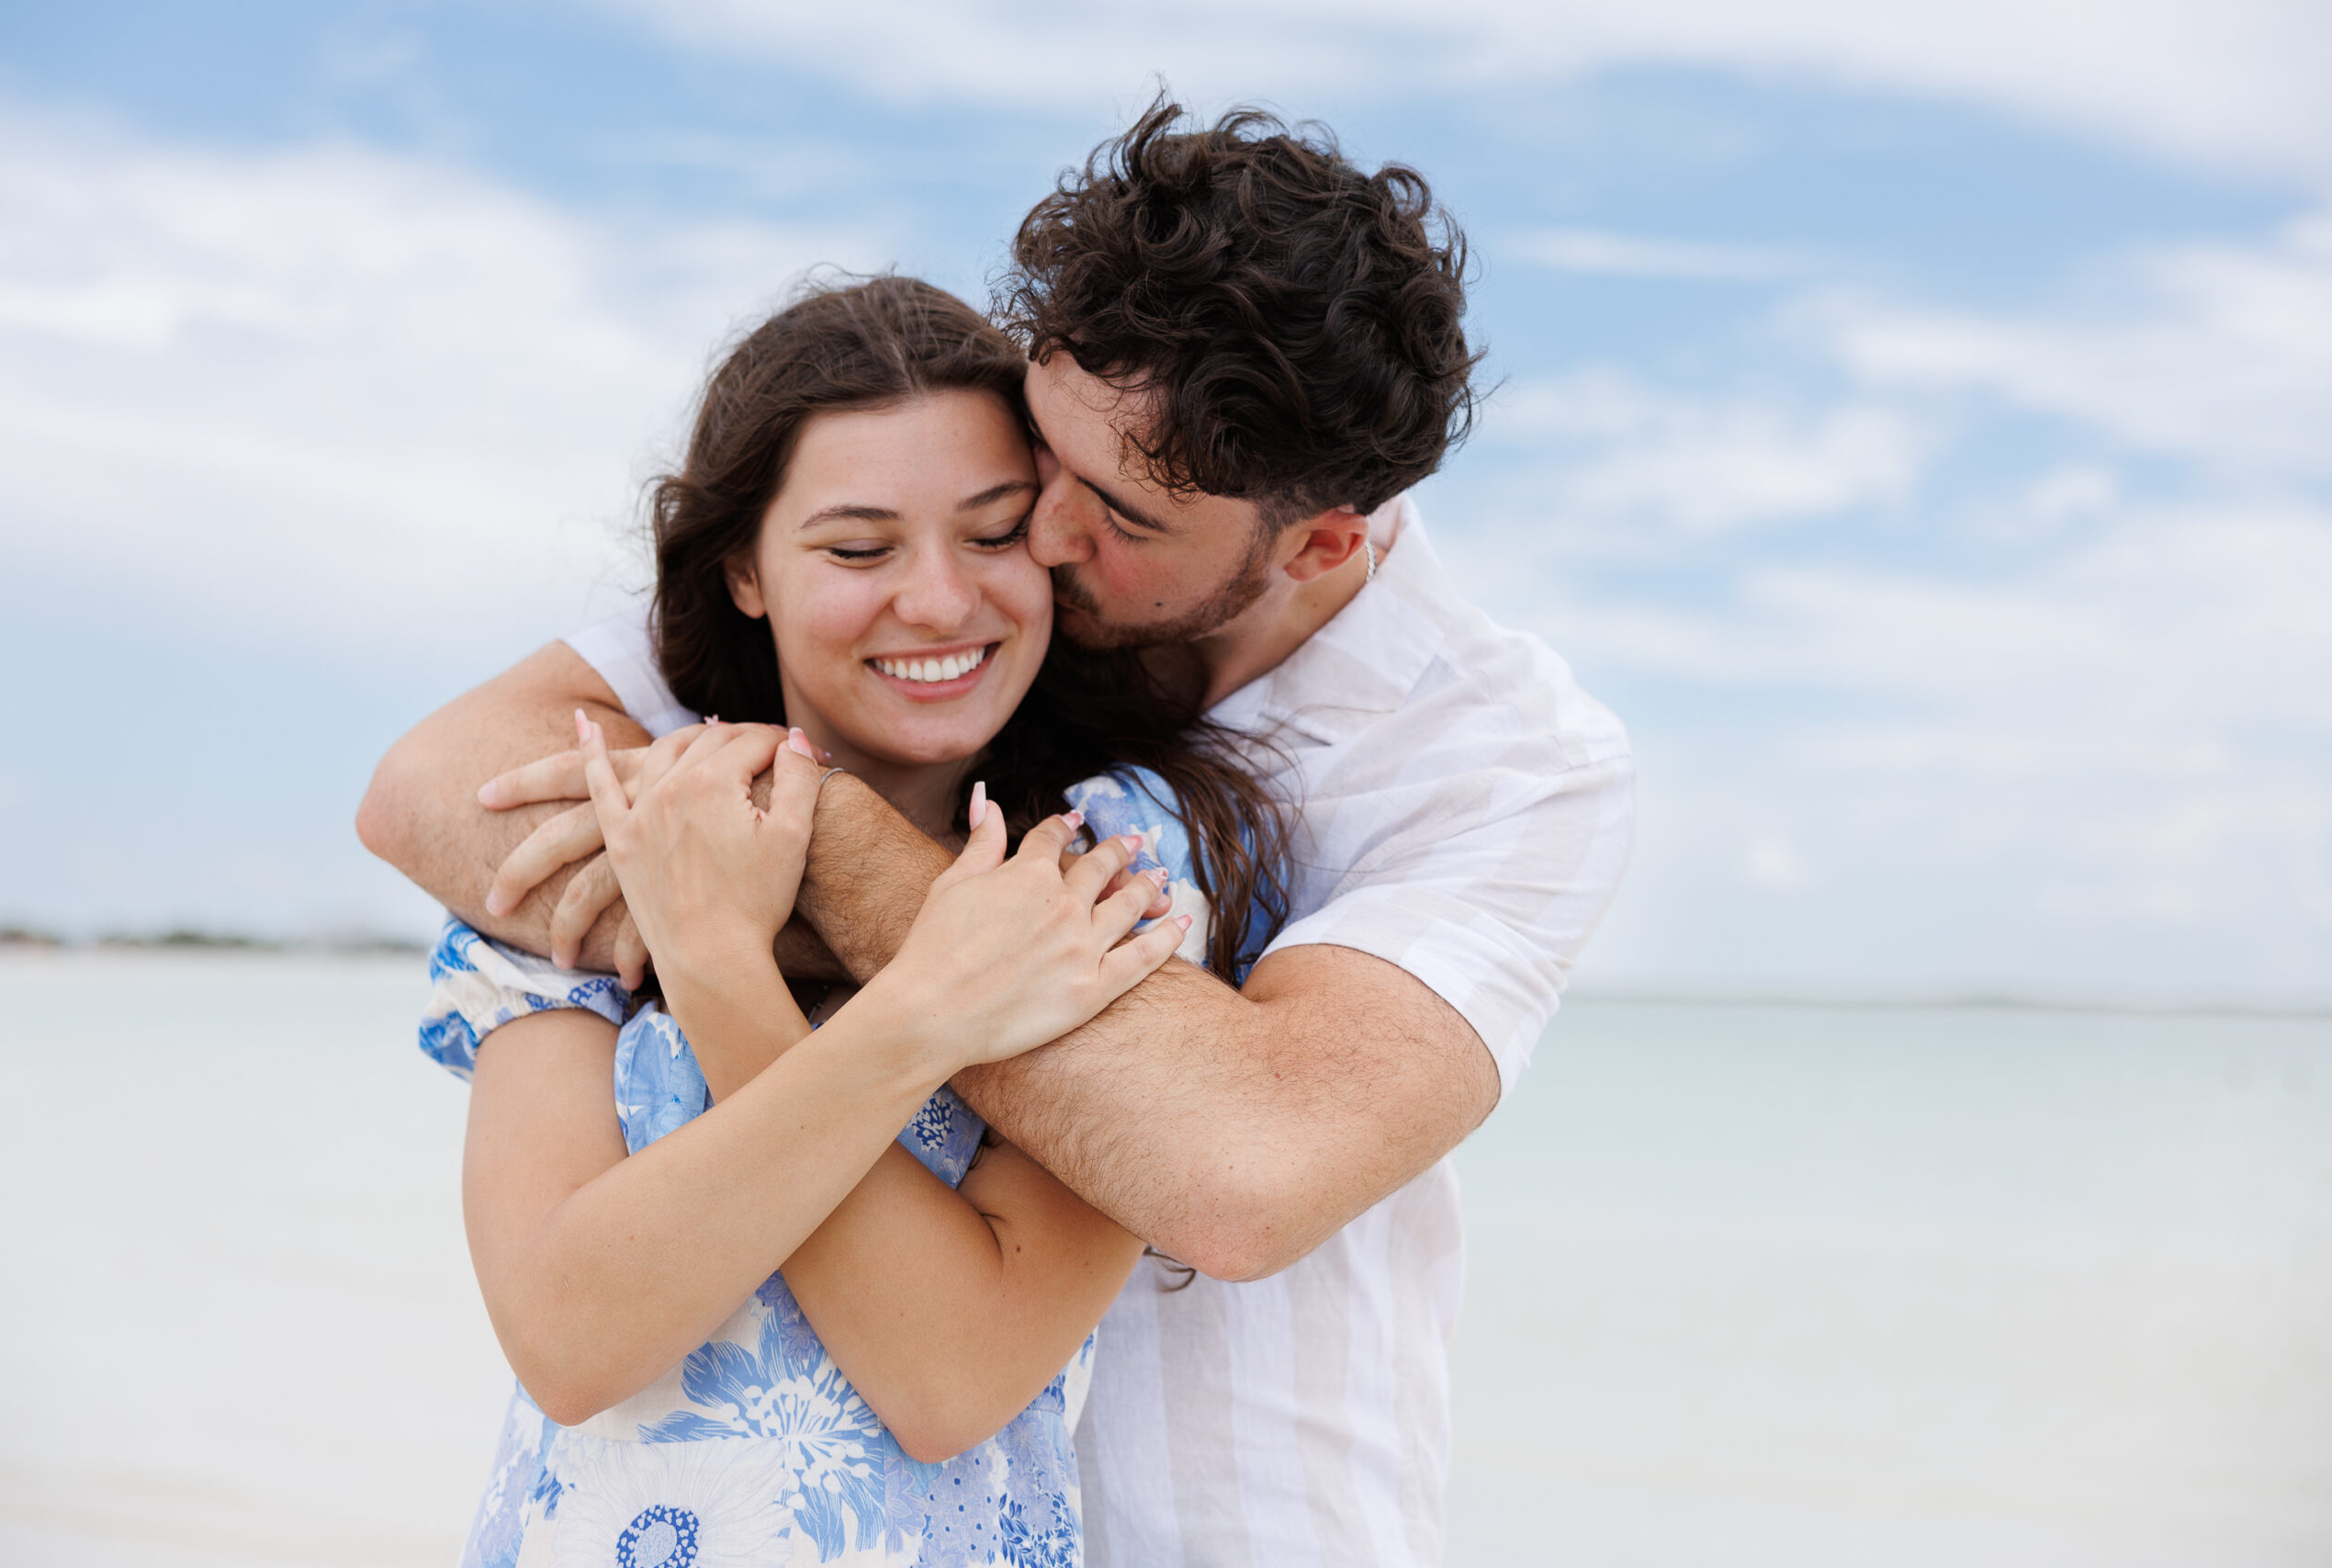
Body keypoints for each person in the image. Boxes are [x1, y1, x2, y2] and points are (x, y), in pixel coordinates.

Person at [361, 100, 1635, 1567]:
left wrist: (773, 864)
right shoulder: (938, 576)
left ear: (1321, 543)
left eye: (1111, 519)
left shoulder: (1501, 765)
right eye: (1042, 463)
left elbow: (1233, 1175)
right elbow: (436, 786)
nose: (1017, 550)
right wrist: (793, 904)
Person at [413, 276, 1287, 1567]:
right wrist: (903, 1009)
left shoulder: (1112, 858)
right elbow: (569, 1341)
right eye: (859, 550)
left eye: (993, 536)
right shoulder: (612, 826)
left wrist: (725, 976)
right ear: (743, 572)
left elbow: (953, 1377)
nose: (938, 602)